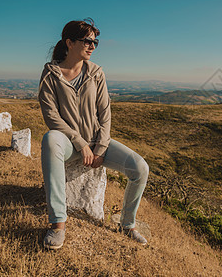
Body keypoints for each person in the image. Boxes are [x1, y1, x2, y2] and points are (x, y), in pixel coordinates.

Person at [38, 18, 149, 249]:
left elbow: (105, 114)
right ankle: (58, 223)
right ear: (69, 42)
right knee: (50, 139)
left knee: (140, 168)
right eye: (87, 41)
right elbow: (51, 117)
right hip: (68, 143)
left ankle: (127, 224)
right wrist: (80, 143)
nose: (93, 46)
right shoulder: (51, 74)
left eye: (95, 41)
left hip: (97, 142)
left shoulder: (96, 73)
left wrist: (100, 148)